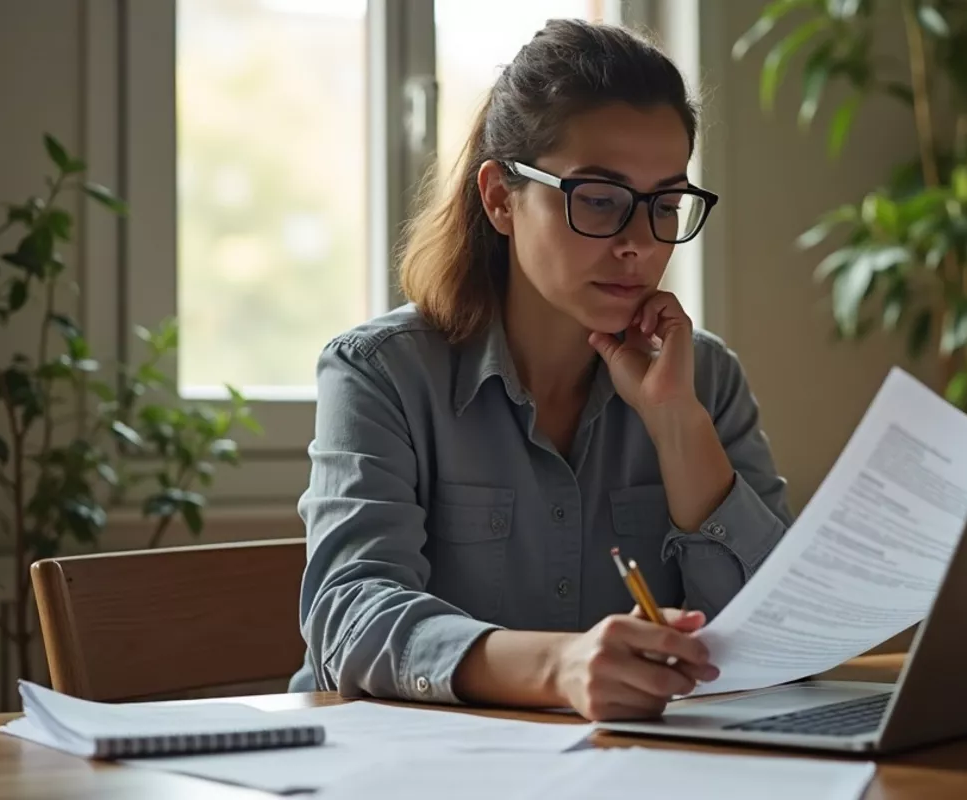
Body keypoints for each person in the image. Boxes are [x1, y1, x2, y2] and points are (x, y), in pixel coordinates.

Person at [289, 19, 792, 722]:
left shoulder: (704, 379)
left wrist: (679, 425)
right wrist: (560, 666)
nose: (639, 244)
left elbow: (784, 639)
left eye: (667, 204)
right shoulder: (380, 374)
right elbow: (350, 615)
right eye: (599, 199)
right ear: (499, 197)